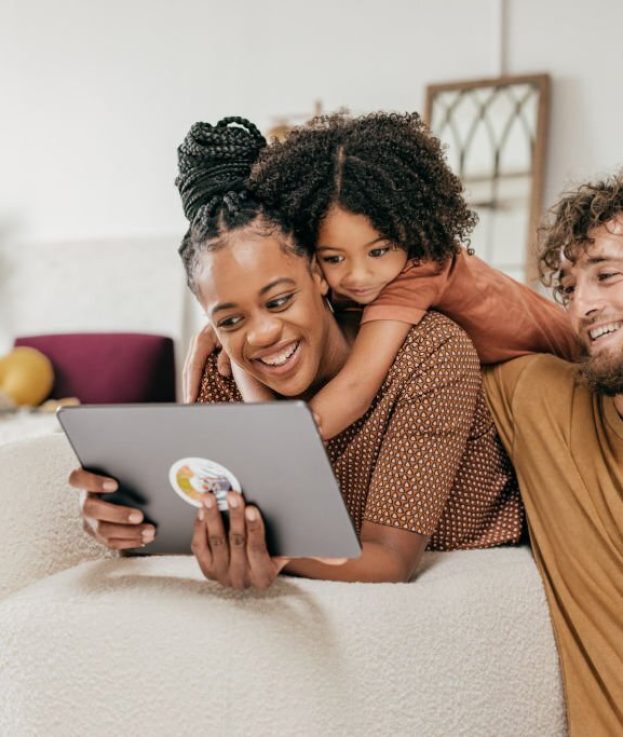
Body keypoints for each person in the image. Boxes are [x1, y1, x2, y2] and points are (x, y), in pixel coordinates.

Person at [69, 117, 525, 588]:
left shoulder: (428, 353)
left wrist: (271, 552)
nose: (262, 334)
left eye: (279, 301)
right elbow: (207, 515)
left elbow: (388, 561)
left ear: (318, 273)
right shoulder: (223, 373)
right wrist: (132, 525)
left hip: (470, 578)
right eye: (230, 320)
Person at [184, 113, 577, 441]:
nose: (358, 276)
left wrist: (270, 445)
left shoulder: (416, 273)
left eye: (379, 250)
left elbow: (354, 391)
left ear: (409, 231)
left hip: (572, 363)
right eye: (333, 257)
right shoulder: (371, 278)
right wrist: (223, 330)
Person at [484, 174, 623, 737]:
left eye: (606, 275)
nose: (583, 306)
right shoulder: (545, 400)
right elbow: (437, 284)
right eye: (567, 289)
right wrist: (236, 328)